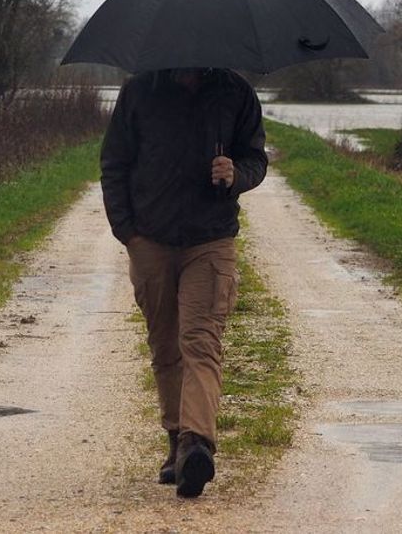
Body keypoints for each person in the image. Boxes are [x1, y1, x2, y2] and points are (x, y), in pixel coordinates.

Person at [100, 66, 268, 498]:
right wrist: (128, 234)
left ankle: (197, 444)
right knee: (166, 344)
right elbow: (113, 164)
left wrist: (236, 174)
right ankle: (177, 440)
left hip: (210, 240)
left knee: (201, 340)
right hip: (151, 240)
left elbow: (256, 158)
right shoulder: (139, 91)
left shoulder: (235, 92)